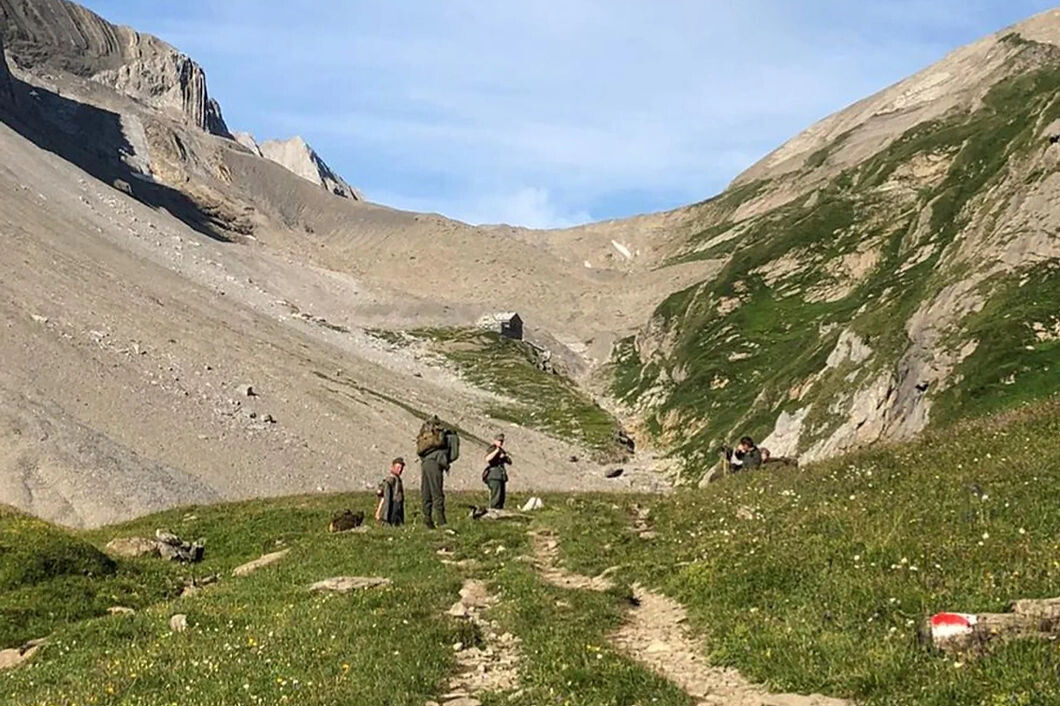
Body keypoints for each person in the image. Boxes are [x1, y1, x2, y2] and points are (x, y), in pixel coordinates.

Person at [417, 416, 460, 529]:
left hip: (425, 463)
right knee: (437, 493)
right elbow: (454, 454)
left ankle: (427, 520)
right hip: (435, 463)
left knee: (426, 493)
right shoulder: (445, 435)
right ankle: (441, 521)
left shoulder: (426, 435)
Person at [482, 433, 513, 509]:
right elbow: (487, 458)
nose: (501, 442)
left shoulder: (502, 451)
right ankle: (493, 511)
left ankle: (499, 511)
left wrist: (505, 457)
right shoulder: (492, 449)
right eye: (499, 440)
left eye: (502, 441)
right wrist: (496, 452)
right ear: (495, 440)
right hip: (494, 475)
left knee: (501, 497)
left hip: (501, 475)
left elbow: (510, 462)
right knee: (496, 496)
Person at [375, 457, 405, 526]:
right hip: (393, 504)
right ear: (392, 467)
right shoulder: (390, 479)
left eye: (401, 468)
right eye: (398, 468)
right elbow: (383, 487)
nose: (400, 470)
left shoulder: (398, 479)